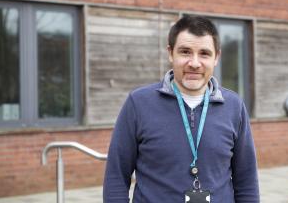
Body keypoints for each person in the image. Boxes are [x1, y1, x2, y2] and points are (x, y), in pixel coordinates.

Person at [103, 15, 259, 203]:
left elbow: (247, 181)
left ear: (216, 57)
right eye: (185, 52)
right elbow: (116, 177)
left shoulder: (234, 106)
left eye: (204, 53)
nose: (194, 63)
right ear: (171, 53)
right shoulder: (138, 103)